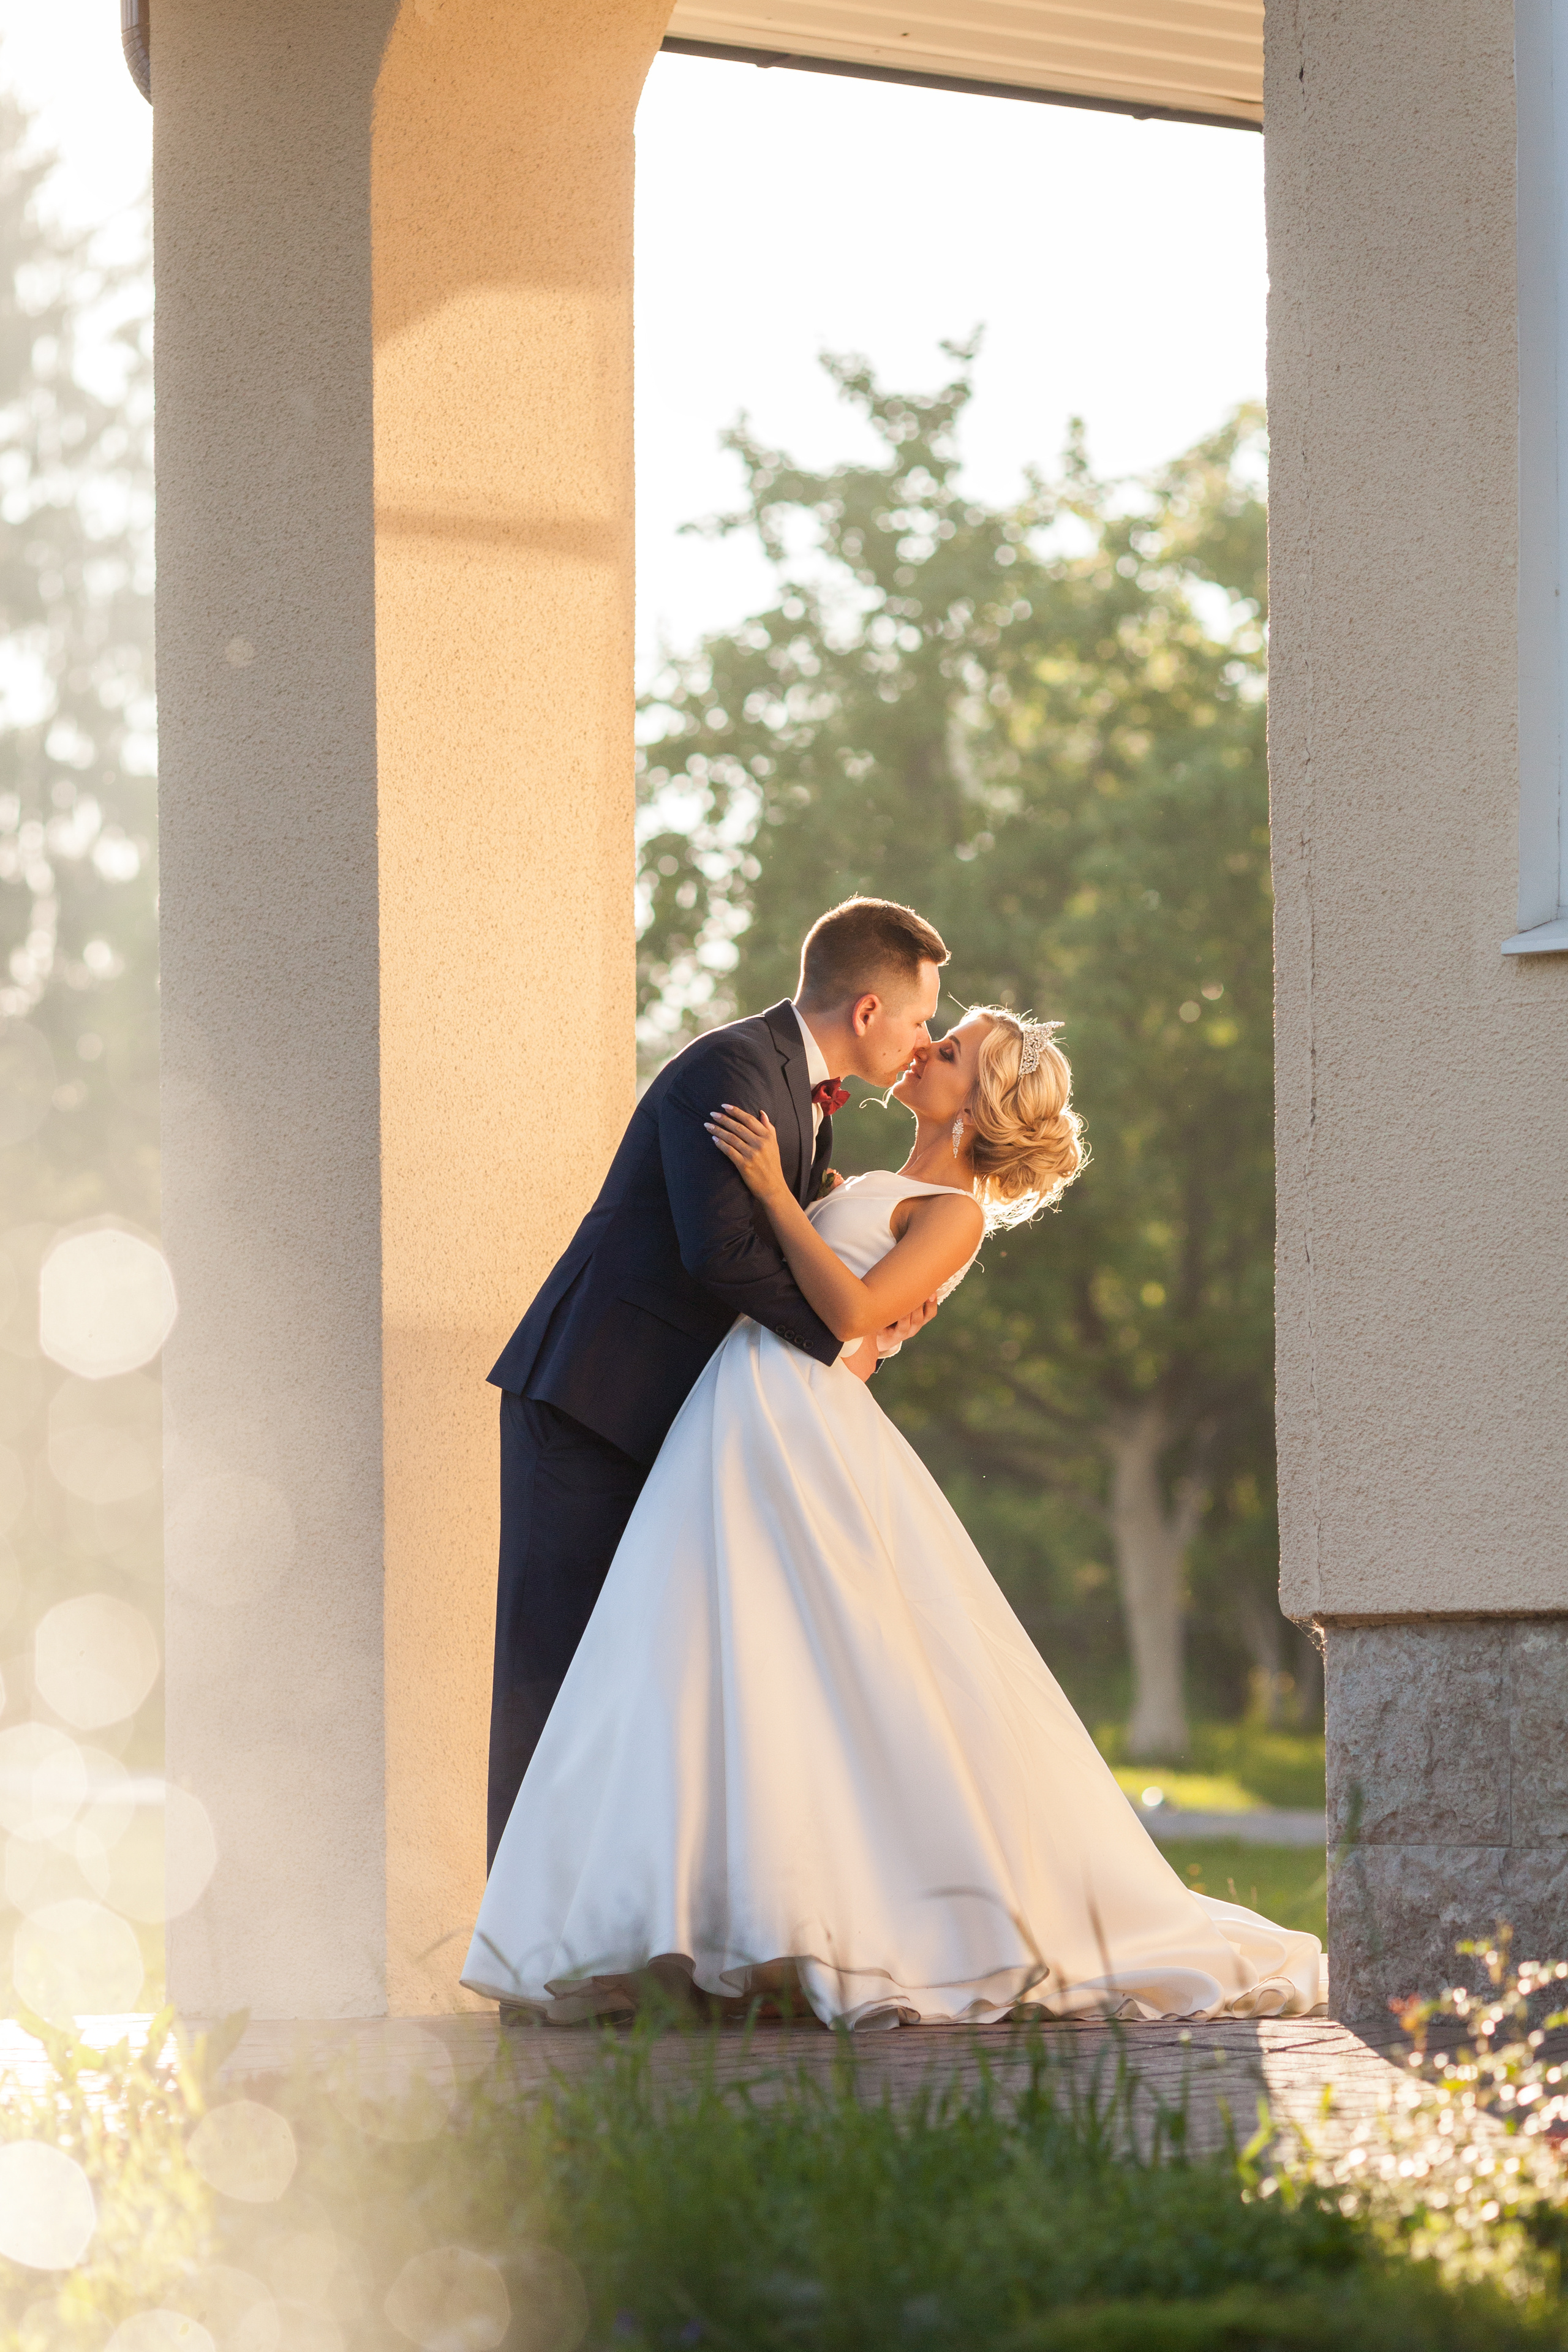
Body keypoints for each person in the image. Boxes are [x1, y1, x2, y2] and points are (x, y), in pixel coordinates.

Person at [463, 1006, 1324, 2026]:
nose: (928, 1047)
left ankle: (816, 1925)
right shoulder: (867, 1179)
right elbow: (842, 1319)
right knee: (711, 1659)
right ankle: (696, 1922)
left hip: (792, 1426)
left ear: (978, 1107)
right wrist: (807, 1206)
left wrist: (775, 1196)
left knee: (804, 1658)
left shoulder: (953, 1213)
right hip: (737, 1412)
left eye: (950, 1050)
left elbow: (854, 1316)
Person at [483, 896, 951, 1867]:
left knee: (640, 1678)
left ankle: (617, 1913)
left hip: (672, 1417)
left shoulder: (805, 1099)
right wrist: (846, 1341)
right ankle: (524, 1931)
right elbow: (722, 1256)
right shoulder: (730, 1069)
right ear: (868, 1010)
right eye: (919, 1020)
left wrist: (875, 1313)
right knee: (552, 1673)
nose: (922, 1041)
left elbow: (787, 1249)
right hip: (591, 1399)